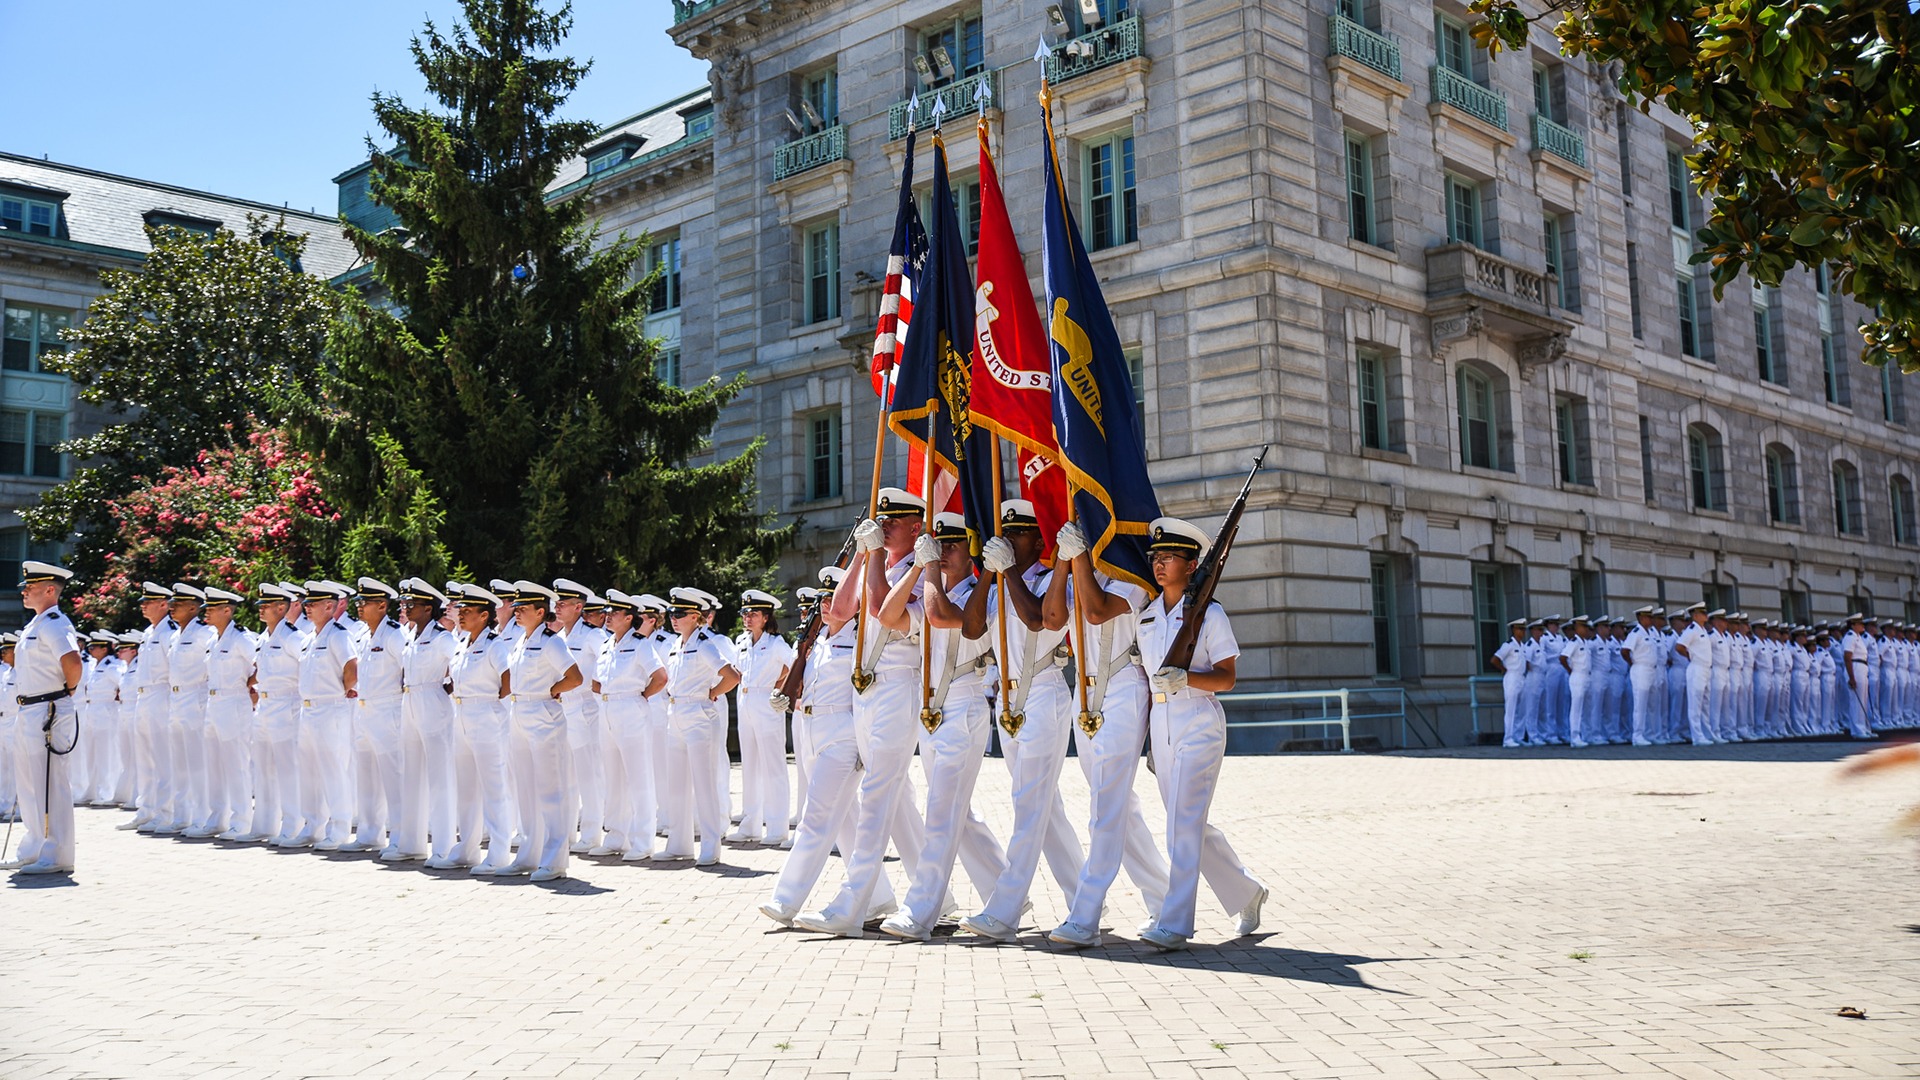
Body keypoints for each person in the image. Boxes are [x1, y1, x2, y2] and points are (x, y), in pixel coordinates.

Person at [793, 489, 933, 937]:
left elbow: (879, 609)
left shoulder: (921, 567)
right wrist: (859, 553)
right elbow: (838, 610)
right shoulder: (883, 563)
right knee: (894, 803)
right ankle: (941, 896)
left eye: (895, 521)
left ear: (917, 526)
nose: (886, 525)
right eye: (882, 520)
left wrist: (872, 556)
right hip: (866, 695)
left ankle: (851, 905)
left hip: (897, 690)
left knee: (875, 799)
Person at [1135, 518, 1268, 951]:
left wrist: (1187, 678)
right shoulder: (1149, 616)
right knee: (1186, 824)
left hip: (1199, 724)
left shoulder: (1210, 613)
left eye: (1169, 557)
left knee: (1184, 825)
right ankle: (1246, 891)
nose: (1159, 564)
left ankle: (1174, 923)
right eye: (1156, 557)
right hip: (1163, 726)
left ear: (1193, 565)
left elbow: (1227, 678)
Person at [876, 513, 1009, 942]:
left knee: (940, 812)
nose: (946, 552)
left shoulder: (983, 595)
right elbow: (886, 615)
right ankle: (1005, 890)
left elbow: (942, 616)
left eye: (953, 545)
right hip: (931, 711)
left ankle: (920, 911)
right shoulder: (931, 588)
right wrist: (916, 566)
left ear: (970, 553)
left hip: (964, 705)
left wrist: (929, 570)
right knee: (958, 814)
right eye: (940, 545)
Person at [959, 500, 1087, 943]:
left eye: (1018, 535)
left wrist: (1008, 571)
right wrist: (987, 577)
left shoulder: (1055, 580)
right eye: (1005, 535)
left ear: (1039, 540)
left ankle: (1005, 908)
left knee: (1028, 805)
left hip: (1044, 689)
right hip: (1008, 699)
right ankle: (1085, 895)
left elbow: (1038, 620)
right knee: (1045, 808)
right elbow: (972, 631)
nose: (1010, 541)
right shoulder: (996, 584)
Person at [1047, 517, 1172, 948]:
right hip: (1085, 694)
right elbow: (1050, 619)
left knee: (1105, 806)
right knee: (1120, 808)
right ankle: (1166, 896)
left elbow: (1098, 610)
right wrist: (1063, 562)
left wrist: (1078, 556)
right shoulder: (1082, 567)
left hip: (1121, 689)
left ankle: (1086, 914)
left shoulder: (1130, 574)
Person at [763, 567, 904, 925]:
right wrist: (788, 695)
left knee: (816, 819)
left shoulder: (861, 639)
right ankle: (878, 898)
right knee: (846, 823)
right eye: (823, 599)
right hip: (810, 730)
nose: (827, 605)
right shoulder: (816, 639)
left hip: (842, 734)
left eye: (834, 598)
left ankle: (786, 900)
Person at [3, 560, 82, 875]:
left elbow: (73, 662)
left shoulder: (54, 623)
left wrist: (67, 692)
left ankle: (57, 854)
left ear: (50, 590)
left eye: (31, 587)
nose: (25, 591)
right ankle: (34, 847)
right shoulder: (35, 625)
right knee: (30, 783)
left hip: (48, 709)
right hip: (29, 709)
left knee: (50, 783)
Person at [500, 581, 583, 881]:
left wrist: (552, 690)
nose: (516, 612)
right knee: (525, 789)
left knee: (551, 789)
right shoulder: (520, 641)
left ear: (539, 611)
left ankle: (555, 860)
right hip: (519, 712)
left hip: (542, 714)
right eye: (515, 607)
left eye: (522, 609)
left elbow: (575, 677)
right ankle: (528, 855)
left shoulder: (551, 641)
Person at [658, 587, 740, 866]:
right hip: (676, 712)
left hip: (698, 714)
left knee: (704, 784)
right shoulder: (675, 644)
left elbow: (732, 676)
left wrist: (712, 692)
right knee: (677, 785)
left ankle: (711, 845)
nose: (674, 618)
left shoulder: (704, 643)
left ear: (696, 616)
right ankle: (679, 843)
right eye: (672, 613)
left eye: (680, 614)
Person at [447, 584, 517, 873]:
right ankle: (468, 847)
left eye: (467, 611)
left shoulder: (494, 644)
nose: (461, 615)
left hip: (486, 713)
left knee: (494, 786)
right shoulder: (463, 643)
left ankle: (499, 851)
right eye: (460, 610)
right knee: (466, 787)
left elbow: (508, 680)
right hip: (462, 713)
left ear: (484, 615)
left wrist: (489, 702)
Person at [595, 589, 666, 860]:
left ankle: (643, 840)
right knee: (613, 776)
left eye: (614, 613)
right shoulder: (606, 644)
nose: (608, 617)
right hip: (608, 707)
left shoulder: (640, 644)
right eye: (608, 612)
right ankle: (616, 836)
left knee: (638, 776)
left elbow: (660, 677)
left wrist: (642, 696)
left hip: (631, 708)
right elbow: (596, 680)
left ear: (629, 617)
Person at [394, 579, 459, 863]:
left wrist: (446, 688)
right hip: (410, 700)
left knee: (439, 775)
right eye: (405, 604)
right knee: (412, 773)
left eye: (413, 605)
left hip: (432, 699)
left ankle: (443, 846)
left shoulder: (442, 636)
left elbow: (459, 665)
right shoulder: (410, 634)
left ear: (428, 608)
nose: (407, 608)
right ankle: (411, 842)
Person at [730, 590, 796, 847]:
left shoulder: (776, 643)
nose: (747, 617)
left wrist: (780, 686)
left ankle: (777, 828)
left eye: (753, 613)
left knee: (773, 767)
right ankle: (750, 825)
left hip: (766, 701)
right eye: (745, 613)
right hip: (745, 699)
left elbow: (794, 665)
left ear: (766, 617)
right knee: (750, 765)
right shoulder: (741, 641)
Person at [297, 580, 358, 850]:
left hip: (330, 707)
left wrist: (341, 691)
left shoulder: (338, 634)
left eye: (313, 604)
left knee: (334, 770)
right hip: (309, 709)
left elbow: (351, 668)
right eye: (306, 603)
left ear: (330, 606)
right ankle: (313, 826)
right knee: (309, 771)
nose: (307, 608)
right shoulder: (311, 637)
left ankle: (340, 829)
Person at [551, 578, 609, 855]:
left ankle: (592, 832)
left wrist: (596, 685)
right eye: (556, 603)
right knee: (567, 774)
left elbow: (609, 663)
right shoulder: (559, 637)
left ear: (578, 607)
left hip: (586, 707)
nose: (557, 608)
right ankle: (569, 832)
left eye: (563, 603)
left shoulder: (593, 635)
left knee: (589, 773)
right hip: (563, 707)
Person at [247, 584, 305, 845]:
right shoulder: (264, 637)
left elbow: (307, 669)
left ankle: (292, 825)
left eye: (266, 605)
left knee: (287, 768)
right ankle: (263, 825)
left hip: (287, 703)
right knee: (264, 767)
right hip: (266, 705)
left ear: (282, 608)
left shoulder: (293, 636)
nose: (261, 609)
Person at [199, 587, 257, 839]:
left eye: (212, 608)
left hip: (234, 702)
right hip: (214, 703)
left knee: (236, 764)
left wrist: (251, 686)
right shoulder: (213, 638)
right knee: (214, 764)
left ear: (227, 610)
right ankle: (217, 817)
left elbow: (261, 664)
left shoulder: (241, 638)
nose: (207, 612)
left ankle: (242, 820)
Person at [166, 583, 215, 835]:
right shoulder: (176, 635)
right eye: (172, 603)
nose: (172, 607)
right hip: (176, 699)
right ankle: (182, 815)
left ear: (194, 608)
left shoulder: (204, 633)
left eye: (178, 604)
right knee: (179, 761)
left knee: (197, 761)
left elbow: (212, 667)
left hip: (195, 697)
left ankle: (202, 815)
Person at [78, 631, 122, 807]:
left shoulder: (113, 666)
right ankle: (93, 790)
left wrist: (119, 698)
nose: (90, 650)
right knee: (91, 753)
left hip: (106, 710)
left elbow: (124, 683)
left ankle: (107, 792)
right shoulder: (96, 665)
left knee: (106, 753)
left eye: (94, 647)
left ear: (105, 649)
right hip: (92, 709)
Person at [1623, 607, 1662, 747]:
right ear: (1641, 618)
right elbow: (1625, 650)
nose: (1651, 619)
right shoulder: (1636, 632)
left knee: (1652, 704)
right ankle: (1637, 735)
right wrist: (1632, 662)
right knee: (1640, 704)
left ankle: (1651, 734)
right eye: (1648, 617)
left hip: (1652, 670)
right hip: (1640, 669)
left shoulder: (1650, 632)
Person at [1492, 619, 1529, 747]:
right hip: (1512, 676)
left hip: (1521, 677)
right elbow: (1495, 659)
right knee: (1511, 708)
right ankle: (1508, 738)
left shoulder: (1522, 646)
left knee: (1521, 709)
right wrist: (1503, 669)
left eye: (1524, 629)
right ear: (1513, 630)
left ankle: (1518, 737)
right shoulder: (1508, 645)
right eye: (1520, 629)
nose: (1522, 632)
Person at [1561, 616, 1595, 748]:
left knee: (1586, 708)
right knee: (1576, 708)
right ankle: (1574, 737)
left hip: (1586, 676)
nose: (1586, 630)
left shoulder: (1585, 642)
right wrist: (1571, 670)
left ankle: (1585, 735)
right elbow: (1563, 658)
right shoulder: (1573, 642)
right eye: (1584, 627)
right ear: (1577, 628)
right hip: (1577, 676)